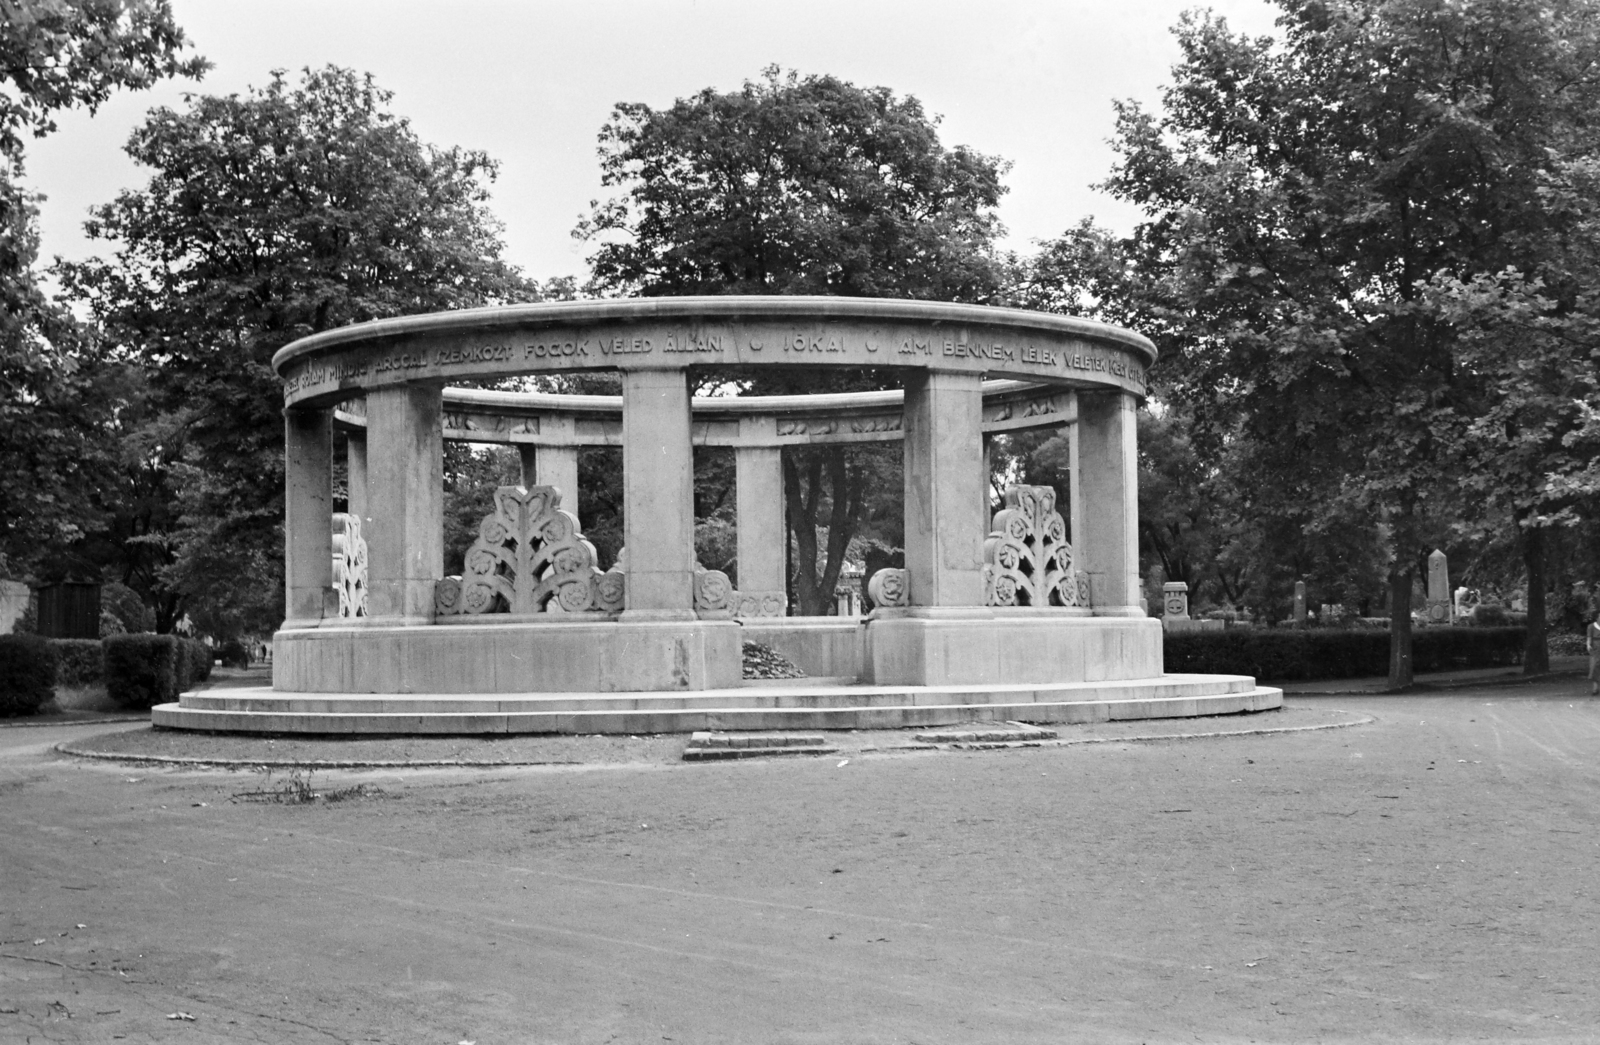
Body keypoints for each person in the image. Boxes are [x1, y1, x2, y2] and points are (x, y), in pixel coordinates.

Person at [1588, 616, 1600, 696]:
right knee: (1594, 667)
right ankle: (1595, 689)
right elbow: (1589, 637)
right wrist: (1588, 644)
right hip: (1596, 649)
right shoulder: (1591, 626)